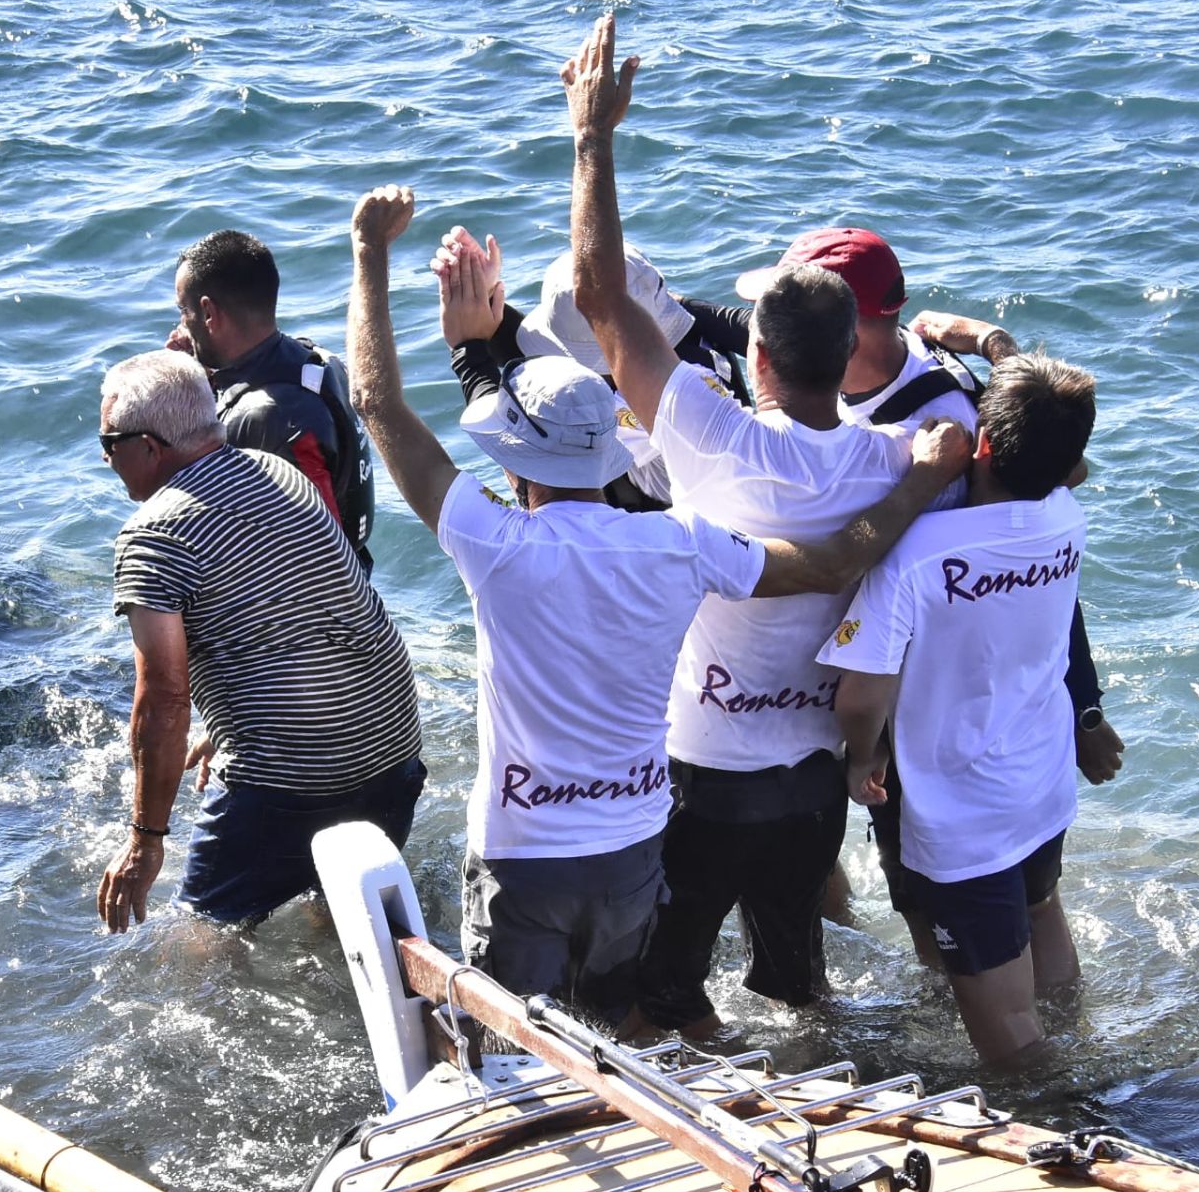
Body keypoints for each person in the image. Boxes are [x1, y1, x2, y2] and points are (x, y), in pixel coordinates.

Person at [342, 184, 967, 1026]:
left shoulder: (494, 545)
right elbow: (835, 562)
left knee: (537, 1035)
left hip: (542, 849)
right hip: (648, 844)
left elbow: (378, 403)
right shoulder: (686, 544)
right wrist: (923, 476)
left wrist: (370, 257)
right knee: (698, 1003)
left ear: (513, 463)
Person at [561, 14, 971, 1039]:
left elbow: (598, 295)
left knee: (660, 994)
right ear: (850, 354)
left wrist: (592, 137)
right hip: (816, 782)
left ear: (757, 357)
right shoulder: (899, 457)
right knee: (799, 989)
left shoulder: (714, 436)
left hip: (705, 777)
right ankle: (833, 1098)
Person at [731, 228, 1125, 940]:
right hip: (846, 688)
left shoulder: (945, 424)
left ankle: (952, 999)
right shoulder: (871, 358)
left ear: (849, 325)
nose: (769, 325)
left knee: (934, 907)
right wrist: (998, 343)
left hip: (911, 717)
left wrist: (1085, 707)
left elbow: (1033, 556)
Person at [827, 353, 1100, 1067]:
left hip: (961, 818)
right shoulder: (1066, 517)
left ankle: (1071, 1112)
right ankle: (1083, 1048)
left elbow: (860, 695)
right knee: (1042, 915)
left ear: (981, 445)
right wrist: (991, 343)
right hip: (1041, 782)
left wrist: (862, 758)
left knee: (1009, 1035)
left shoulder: (915, 554)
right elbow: (1059, 456)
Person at [93, 351, 423, 933]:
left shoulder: (153, 536)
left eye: (109, 442)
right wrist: (228, 724)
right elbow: (300, 615)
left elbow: (163, 701)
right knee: (342, 915)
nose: (104, 457)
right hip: (392, 747)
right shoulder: (276, 471)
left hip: (292, 779)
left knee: (200, 937)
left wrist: (145, 841)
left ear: (148, 447)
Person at [431, 231, 750, 511]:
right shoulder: (698, 337)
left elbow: (504, 424)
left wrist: (467, 346)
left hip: (673, 516)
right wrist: (485, 298)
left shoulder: (636, 410)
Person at [167, 229, 378, 569]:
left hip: (315, 599)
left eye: (183, 310)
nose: (180, 325)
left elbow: (319, 554)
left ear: (208, 313)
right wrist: (200, 377)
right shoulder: (318, 361)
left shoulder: (267, 416)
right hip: (354, 576)